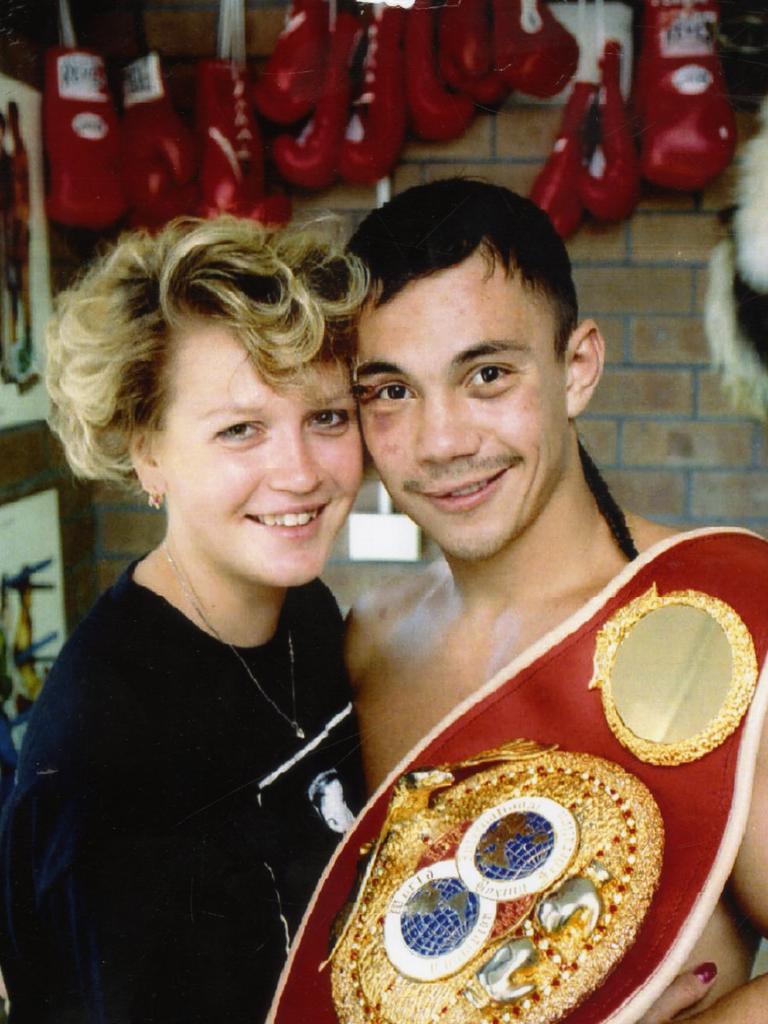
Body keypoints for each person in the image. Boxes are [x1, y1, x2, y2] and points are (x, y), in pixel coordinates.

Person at [267, 180, 768, 1024]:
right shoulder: (372, 640)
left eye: (488, 374)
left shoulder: (731, 613)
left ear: (577, 368)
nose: (442, 442)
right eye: (390, 391)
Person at [0, 215, 368, 1023]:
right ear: (147, 453)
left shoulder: (301, 610)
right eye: (241, 430)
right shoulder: (105, 760)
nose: (299, 472)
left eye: (327, 418)